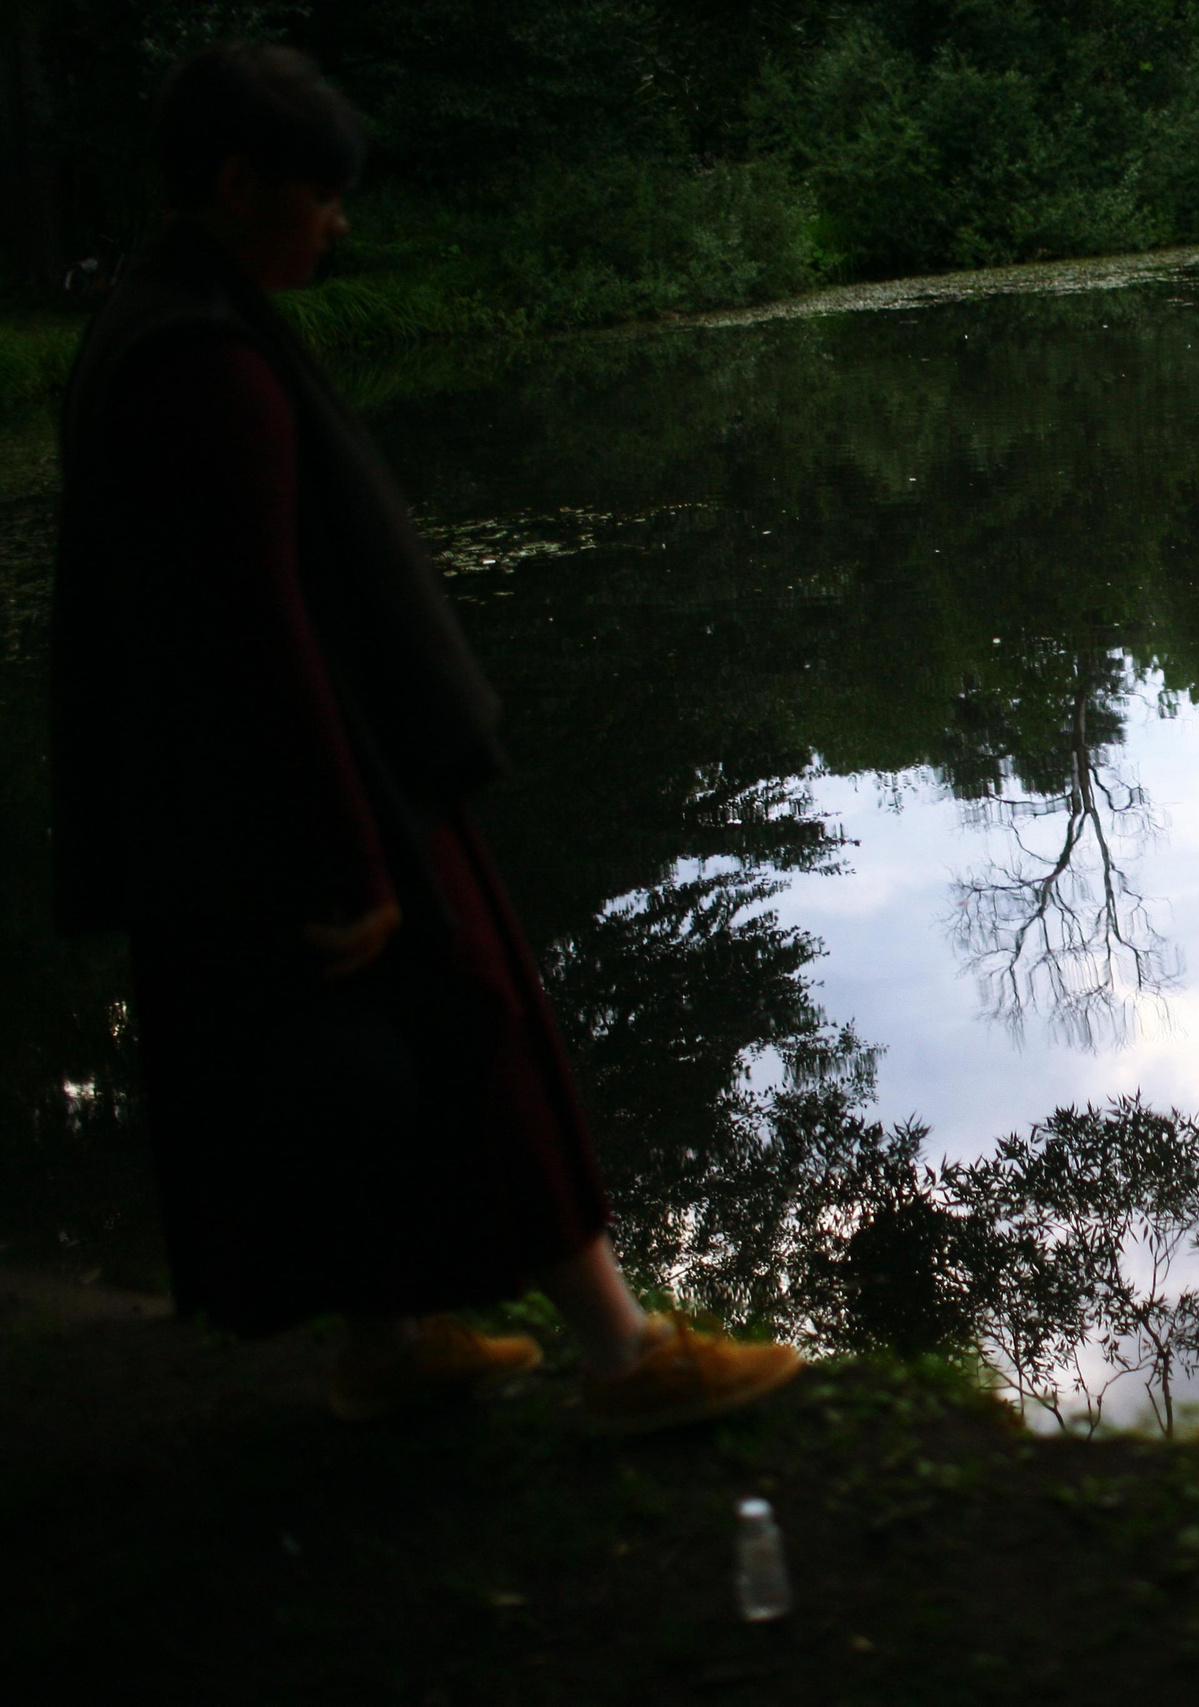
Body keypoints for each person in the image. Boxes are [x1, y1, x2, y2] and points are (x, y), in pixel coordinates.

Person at [48, 42, 800, 1433]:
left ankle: (389, 1344)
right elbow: (263, 639)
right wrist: (357, 859)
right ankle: (625, 1359)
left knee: (340, 1071)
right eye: (318, 195)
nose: (338, 224)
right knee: (482, 1035)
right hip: (330, 805)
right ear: (236, 183)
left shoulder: (150, 325)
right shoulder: (201, 366)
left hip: (235, 819)